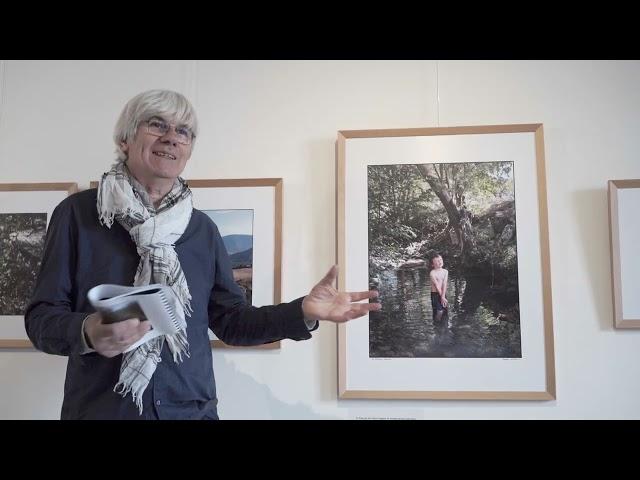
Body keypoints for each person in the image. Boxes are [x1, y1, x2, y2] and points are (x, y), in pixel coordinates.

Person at [24, 89, 381, 420]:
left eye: (184, 132)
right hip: (103, 409)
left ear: (189, 149)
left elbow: (231, 322)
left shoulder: (202, 230)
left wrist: (301, 311)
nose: (172, 137)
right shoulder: (77, 215)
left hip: (190, 410)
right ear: (125, 140)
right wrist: (89, 332)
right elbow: (42, 319)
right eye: (156, 124)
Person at [428, 253, 448, 323]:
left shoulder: (445, 271)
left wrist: (443, 296)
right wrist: (442, 297)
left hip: (443, 293)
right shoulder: (432, 273)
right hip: (435, 294)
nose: (440, 262)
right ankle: (437, 324)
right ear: (433, 264)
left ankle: (444, 325)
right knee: (438, 311)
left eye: (440, 260)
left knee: (444, 309)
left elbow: (444, 283)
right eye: (437, 261)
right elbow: (437, 285)